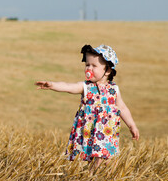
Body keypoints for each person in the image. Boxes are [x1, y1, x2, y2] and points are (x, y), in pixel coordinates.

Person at [35, 44, 139, 172]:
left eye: (94, 66)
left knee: (107, 161)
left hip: (107, 132)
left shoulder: (114, 89)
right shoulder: (85, 86)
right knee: (96, 160)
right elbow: (68, 86)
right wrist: (52, 85)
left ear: (108, 70)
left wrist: (132, 125)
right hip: (90, 131)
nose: (89, 68)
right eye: (87, 65)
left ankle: (98, 175)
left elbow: (122, 107)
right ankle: (90, 175)